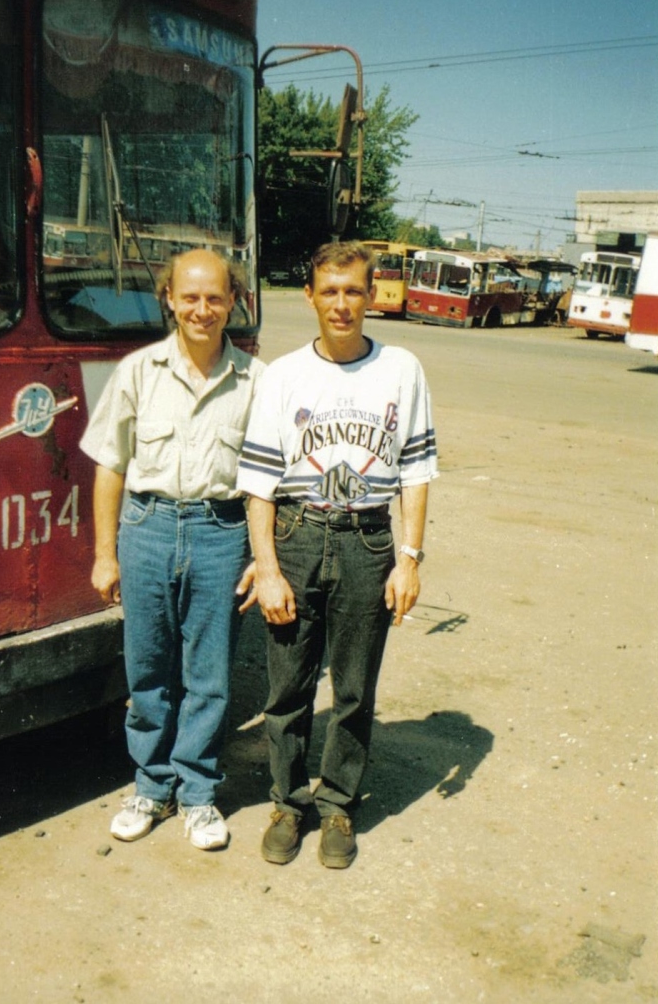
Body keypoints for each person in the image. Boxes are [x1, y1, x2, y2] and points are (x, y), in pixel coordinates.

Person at [236, 240, 438, 869]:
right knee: (289, 685)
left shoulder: (402, 369)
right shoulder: (283, 375)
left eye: (354, 290)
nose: (342, 304)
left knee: (353, 687)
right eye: (330, 291)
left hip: (369, 542)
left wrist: (409, 558)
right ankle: (289, 803)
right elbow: (261, 483)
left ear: (372, 293)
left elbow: (417, 471)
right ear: (310, 297)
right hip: (297, 537)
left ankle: (339, 806)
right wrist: (266, 568)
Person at [80, 248, 264, 848]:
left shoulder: (256, 381)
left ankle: (199, 794)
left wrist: (263, 559)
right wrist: (105, 553)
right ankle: (151, 787)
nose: (202, 310)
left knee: (208, 674)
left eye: (214, 298)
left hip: (221, 532)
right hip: (148, 528)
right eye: (190, 297)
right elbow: (110, 465)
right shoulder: (137, 370)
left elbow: (267, 480)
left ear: (233, 301)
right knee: (148, 668)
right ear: (169, 299)